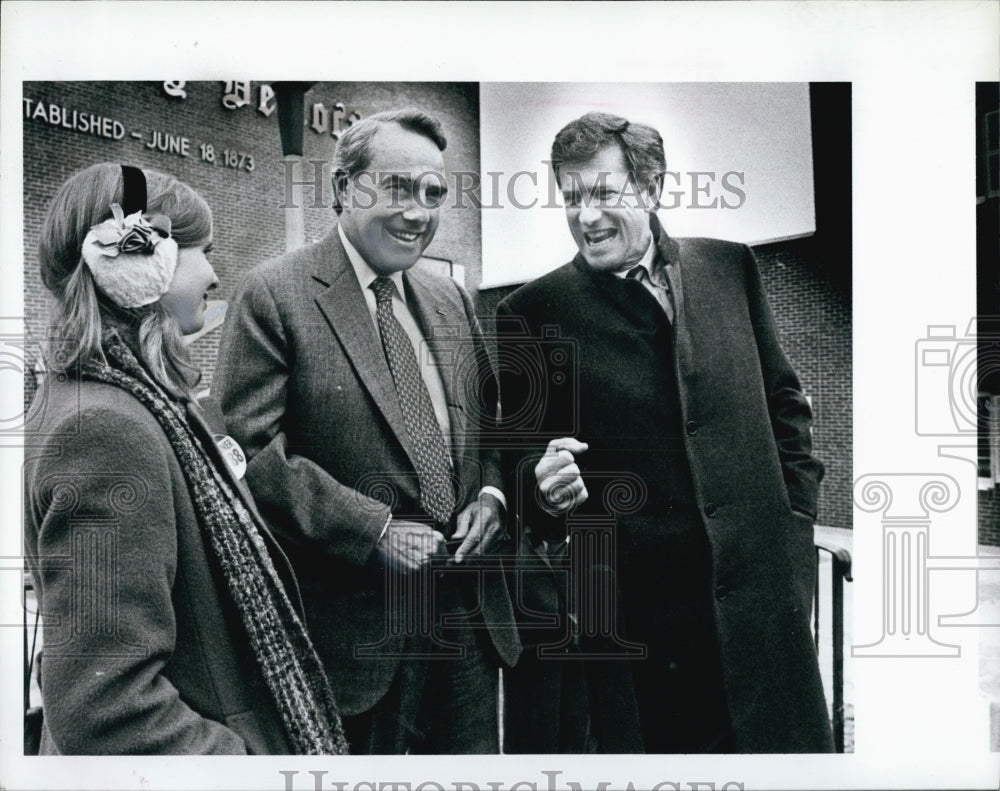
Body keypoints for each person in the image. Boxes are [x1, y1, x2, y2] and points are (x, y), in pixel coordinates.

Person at [497, 112, 833, 753]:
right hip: (643, 633)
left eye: (603, 193)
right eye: (570, 197)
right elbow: (518, 464)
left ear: (651, 188)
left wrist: (796, 524)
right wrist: (541, 488)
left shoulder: (731, 268)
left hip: (763, 608)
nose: (585, 216)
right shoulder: (533, 313)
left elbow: (785, 406)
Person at [214, 109, 520, 754]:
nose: (418, 212)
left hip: (465, 622)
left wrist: (492, 495)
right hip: (352, 638)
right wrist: (372, 530)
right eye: (398, 188)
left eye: (433, 193)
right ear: (344, 188)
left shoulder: (451, 298)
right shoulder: (274, 295)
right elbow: (249, 453)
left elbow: (490, 430)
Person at [24, 163, 347, 755]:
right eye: (205, 252)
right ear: (138, 262)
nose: (216, 276)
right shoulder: (107, 431)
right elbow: (106, 709)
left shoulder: (115, 402)